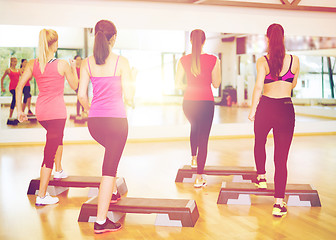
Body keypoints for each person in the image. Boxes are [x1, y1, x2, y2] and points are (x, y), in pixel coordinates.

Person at [78, 20, 131, 234]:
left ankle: (112, 192)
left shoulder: (86, 63)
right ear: (113, 38)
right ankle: (101, 221)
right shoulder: (122, 62)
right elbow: (130, 95)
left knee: (110, 159)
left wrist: (92, 108)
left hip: (95, 123)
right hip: (117, 123)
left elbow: (82, 95)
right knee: (109, 170)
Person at [16, 29, 78, 206]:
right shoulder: (62, 64)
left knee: (57, 138)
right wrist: (73, 67)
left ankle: (58, 170)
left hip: (42, 113)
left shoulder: (32, 64)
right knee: (49, 151)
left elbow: (19, 87)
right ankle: (42, 195)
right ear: (55, 44)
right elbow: (75, 85)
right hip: (57, 114)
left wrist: (21, 110)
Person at [248, 23, 300, 217]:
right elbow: (293, 83)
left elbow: (258, 87)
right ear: (283, 38)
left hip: (266, 107)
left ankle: (261, 176)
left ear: (267, 38)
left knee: (259, 142)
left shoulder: (263, 61)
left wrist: (253, 110)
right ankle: (278, 204)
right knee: (281, 159)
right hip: (286, 109)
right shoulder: (295, 61)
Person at [175, 29, 221, 188]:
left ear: (190, 41)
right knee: (204, 137)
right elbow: (216, 84)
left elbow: (177, 84)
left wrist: (190, 84)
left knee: (194, 127)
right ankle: (199, 177)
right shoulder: (213, 60)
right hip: (206, 102)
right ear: (204, 41)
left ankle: (193, 158)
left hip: (188, 102)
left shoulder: (183, 60)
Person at [1, 57, 20, 123]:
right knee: (14, 99)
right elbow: (2, 78)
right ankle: (10, 116)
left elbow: (22, 77)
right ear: (11, 62)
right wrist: (2, 87)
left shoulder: (18, 70)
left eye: (16, 61)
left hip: (18, 87)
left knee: (17, 101)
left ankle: (18, 115)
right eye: (14, 61)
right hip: (12, 87)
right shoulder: (8, 70)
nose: (15, 63)